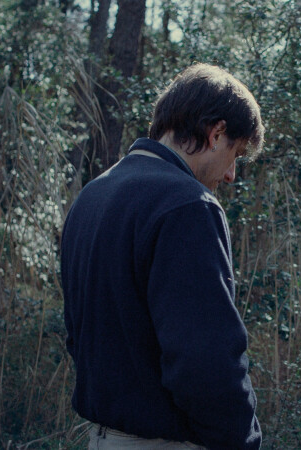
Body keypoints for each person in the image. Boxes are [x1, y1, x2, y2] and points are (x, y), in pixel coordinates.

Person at [61, 63, 264, 449]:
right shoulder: (188, 205)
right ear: (216, 133)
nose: (231, 175)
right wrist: (242, 440)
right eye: (235, 153)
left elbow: (77, 336)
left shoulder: (93, 194)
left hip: (101, 439)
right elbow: (205, 361)